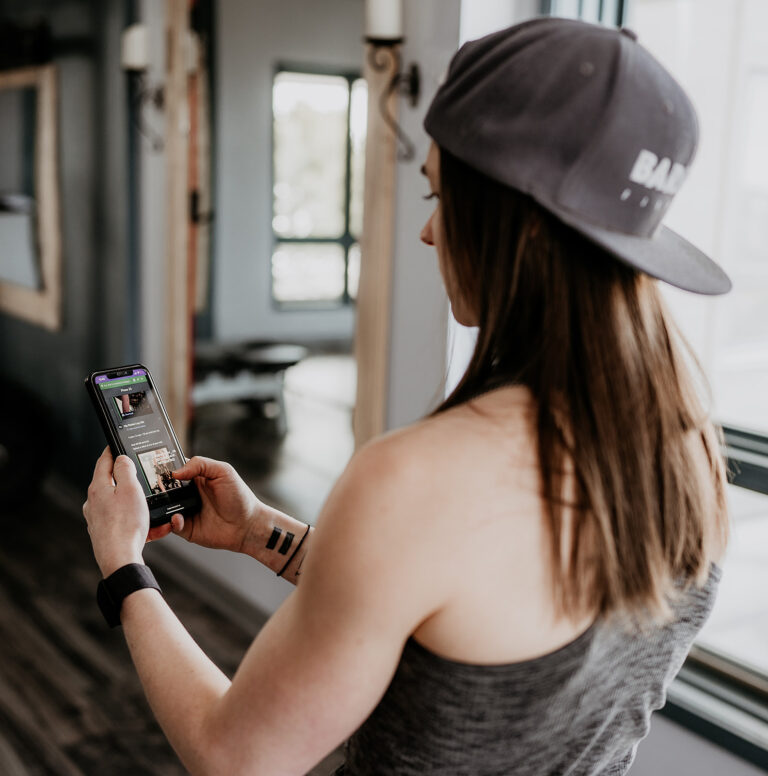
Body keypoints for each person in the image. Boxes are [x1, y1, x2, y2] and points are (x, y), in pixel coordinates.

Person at [82, 17, 731, 776]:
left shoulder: (417, 479)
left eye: (439, 194)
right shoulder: (690, 446)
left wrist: (123, 564)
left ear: (512, 225)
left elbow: (237, 758)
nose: (428, 233)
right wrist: (262, 533)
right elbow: (461, 614)